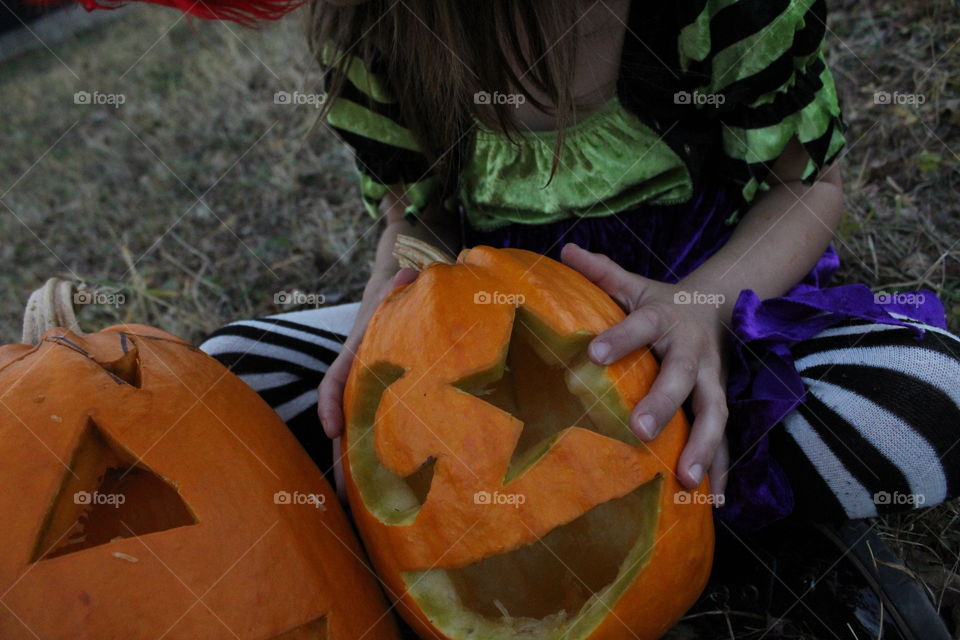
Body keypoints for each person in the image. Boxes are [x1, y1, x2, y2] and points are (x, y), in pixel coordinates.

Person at [193, 1, 960, 636]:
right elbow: (413, 221)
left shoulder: (721, 10)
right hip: (477, 332)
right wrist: (378, 319)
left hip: (709, 316)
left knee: (931, 383)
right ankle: (720, 512)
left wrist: (701, 307)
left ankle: (705, 497)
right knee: (223, 377)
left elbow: (808, 186)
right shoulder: (377, 29)